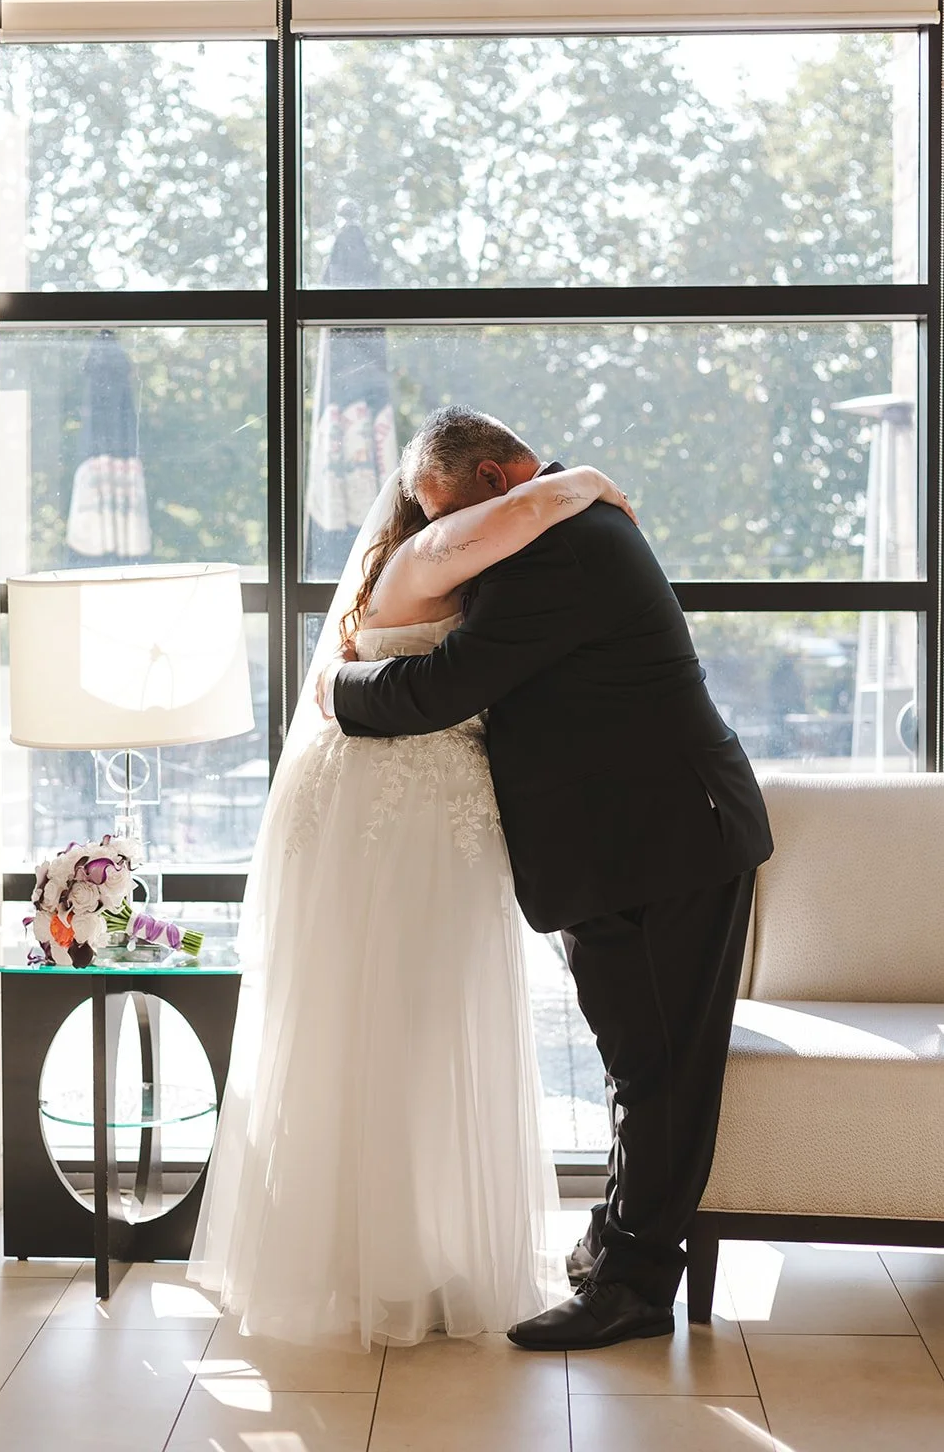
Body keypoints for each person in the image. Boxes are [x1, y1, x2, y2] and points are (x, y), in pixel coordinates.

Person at [329, 405, 774, 1353]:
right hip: (619, 843)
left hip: (668, 842)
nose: (452, 543)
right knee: (635, 1060)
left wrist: (330, 690)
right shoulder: (551, 526)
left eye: (451, 519)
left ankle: (635, 1289)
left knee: (660, 1072)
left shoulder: (561, 550)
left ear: (495, 482)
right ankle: (616, 1245)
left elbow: (443, 688)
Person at [188, 453, 636, 1349]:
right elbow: (531, 506)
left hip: (422, 815)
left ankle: (410, 1252)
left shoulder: (437, 565)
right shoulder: (427, 557)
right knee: (398, 1032)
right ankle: (383, 1268)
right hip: (402, 821)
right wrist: (585, 478)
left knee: (413, 1032)